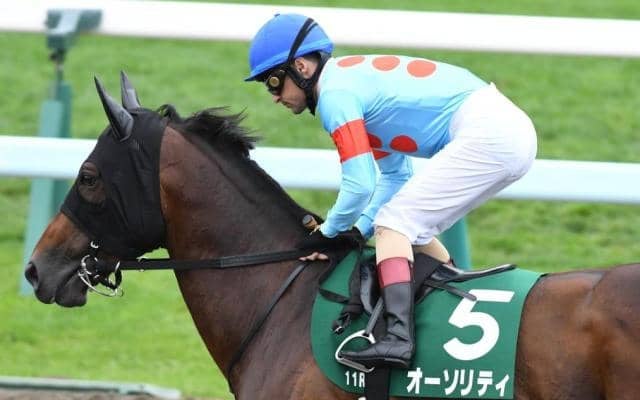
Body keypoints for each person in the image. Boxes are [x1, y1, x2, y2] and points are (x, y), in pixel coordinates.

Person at [245, 13, 537, 369]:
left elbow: (359, 183)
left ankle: (398, 339)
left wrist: (328, 233)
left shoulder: (336, 97)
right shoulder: (350, 87)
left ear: (302, 67)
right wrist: (357, 231)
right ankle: (448, 309)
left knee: (395, 225)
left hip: (492, 134)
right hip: (504, 131)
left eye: (274, 82)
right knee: (406, 229)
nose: (274, 97)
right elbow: (395, 177)